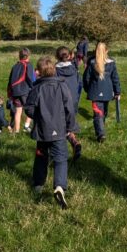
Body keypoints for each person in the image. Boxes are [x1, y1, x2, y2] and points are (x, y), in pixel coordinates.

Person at [26, 56, 74, 209]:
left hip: (42, 130)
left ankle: (38, 184)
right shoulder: (62, 86)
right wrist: (70, 126)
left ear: (39, 72)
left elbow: (29, 108)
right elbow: (70, 108)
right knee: (60, 158)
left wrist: (39, 117)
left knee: (41, 156)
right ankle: (59, 186)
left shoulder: (37, 88)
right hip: (59, 130)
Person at [83, 42, 121, 142]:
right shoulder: (95, 62)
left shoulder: (93, 62)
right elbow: (115, 79)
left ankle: (101, 132)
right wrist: (117, 92)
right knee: (100, 113)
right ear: (107, 51)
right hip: (107, 92)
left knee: (100, 113)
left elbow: (86, 78)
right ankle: (101, 134)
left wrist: (88, 89)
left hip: (96, 92)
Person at [54, 46, 83, 159]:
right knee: (69, 124)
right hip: (74, 100)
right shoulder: (74, 69)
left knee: (60, 126)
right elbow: (79, 84)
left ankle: (60, 152)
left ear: (57, 56)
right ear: (69, 56)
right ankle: (74, 142)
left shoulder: (55, 70)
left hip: (61, 101)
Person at [7, 48, 36, 134]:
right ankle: (34, 128)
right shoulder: (28, 65)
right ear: (28, 56)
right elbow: (30, 79)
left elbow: (10, 80)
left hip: (15, 92)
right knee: (32, 109)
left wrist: (10, 92)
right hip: (25, 91)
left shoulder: (15, 66)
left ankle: (16, 131)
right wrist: (34, 88)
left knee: (18, 111)